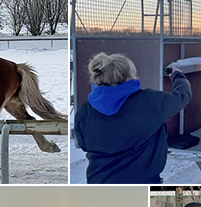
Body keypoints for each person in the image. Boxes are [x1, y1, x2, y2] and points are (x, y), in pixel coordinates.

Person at [74, 53, 192, 183]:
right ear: (128, 76)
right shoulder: (149, 101)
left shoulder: (86, 109)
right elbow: (182, 96)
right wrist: (178, 76)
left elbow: (83, 144)